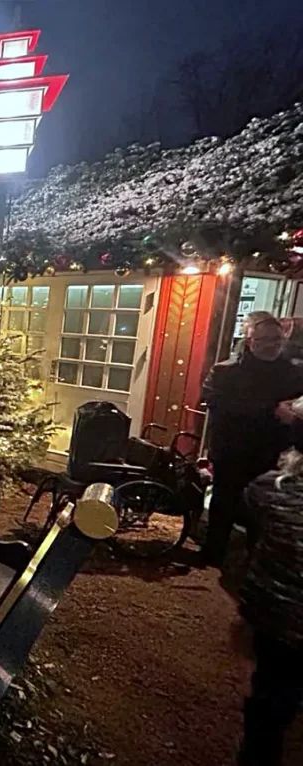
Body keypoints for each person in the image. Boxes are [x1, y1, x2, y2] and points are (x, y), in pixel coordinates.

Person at [201, 313, 303, 567]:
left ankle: (255, 560)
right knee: (224, 504)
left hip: (272, 453)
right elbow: (215, 403)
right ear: (250, 341)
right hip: (231, 451)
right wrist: (270, 409)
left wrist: (294, 414)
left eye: (276, 339)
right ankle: (213, 555)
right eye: (264, 339)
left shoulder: (294, 373)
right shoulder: (225, 371)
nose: (272, 345)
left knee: (265, 510)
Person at [234, 448, 303, 766]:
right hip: (281, 616)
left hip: (276, 617)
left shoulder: (276, 489)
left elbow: (252, 499)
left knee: (270, 698)